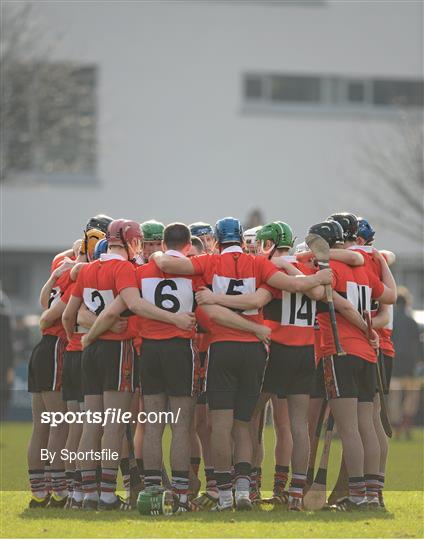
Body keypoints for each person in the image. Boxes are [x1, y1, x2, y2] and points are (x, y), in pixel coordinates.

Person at [151, 216, 332, 511]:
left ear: (218, 240)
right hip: (256, 352)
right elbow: (280, 290)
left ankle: (224, 494)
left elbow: (169, 265)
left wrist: (159, 253)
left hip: (222, 348)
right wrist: (319, 278)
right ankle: (251, 491)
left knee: (220, 426)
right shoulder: (260, 264)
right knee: (246, 425)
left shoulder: (208, 262)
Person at [311, 218, 396, 511]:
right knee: (367, 427)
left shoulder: (327, 267)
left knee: (350, 430)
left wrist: (365, 328)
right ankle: (372, 495)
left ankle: (357, 495)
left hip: (341, 350)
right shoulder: (363, 266)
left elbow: (339, 304)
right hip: (368, 355)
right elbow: (388, 295)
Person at [390, 287, 422, 440]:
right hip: (410, 364)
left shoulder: (392, 320)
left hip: (394, 362)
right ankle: (406, 424)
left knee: (395, 396)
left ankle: (396, 426)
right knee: (411, 396)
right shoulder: (411, 321)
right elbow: (418, 344)